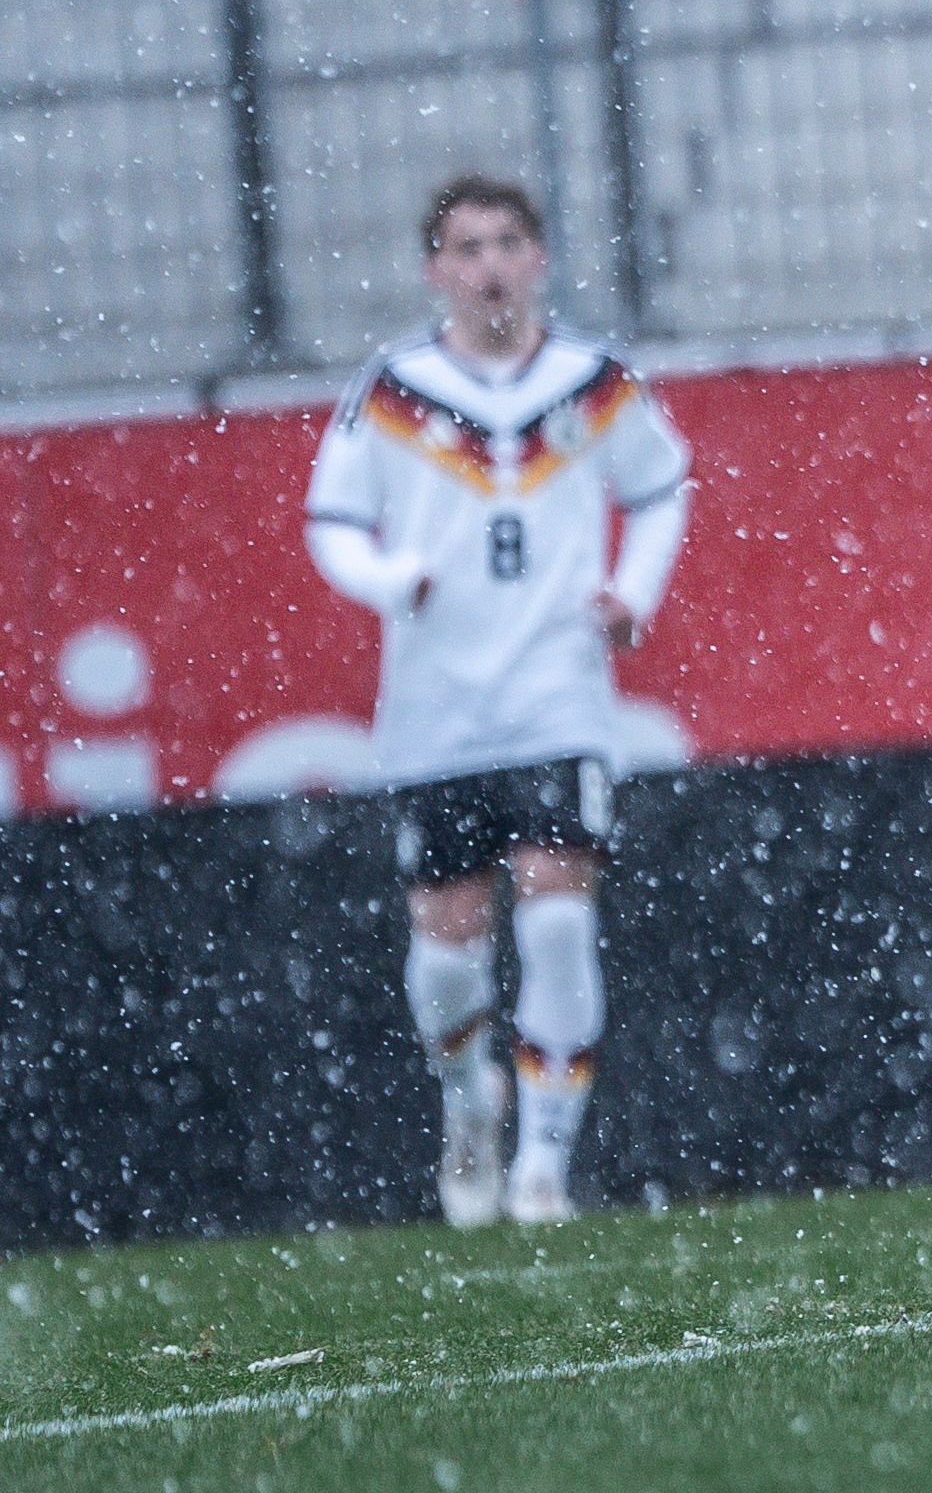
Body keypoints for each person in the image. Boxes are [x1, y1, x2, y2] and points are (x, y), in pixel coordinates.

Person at [303, 176, 692, 1227]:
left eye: (508, 243)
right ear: (437, 269)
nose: (490, 267)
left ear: (539, 258)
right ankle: (466, 1097)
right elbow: (331, 521)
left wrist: (633, 590)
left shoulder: (592, 380)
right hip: (436, 706)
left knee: (558, 915)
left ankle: (543, 1168)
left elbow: (662, 486)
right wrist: (394, 579)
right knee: (448, 944)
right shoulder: (396, 389)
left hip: (558, 690)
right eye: (468, 248)